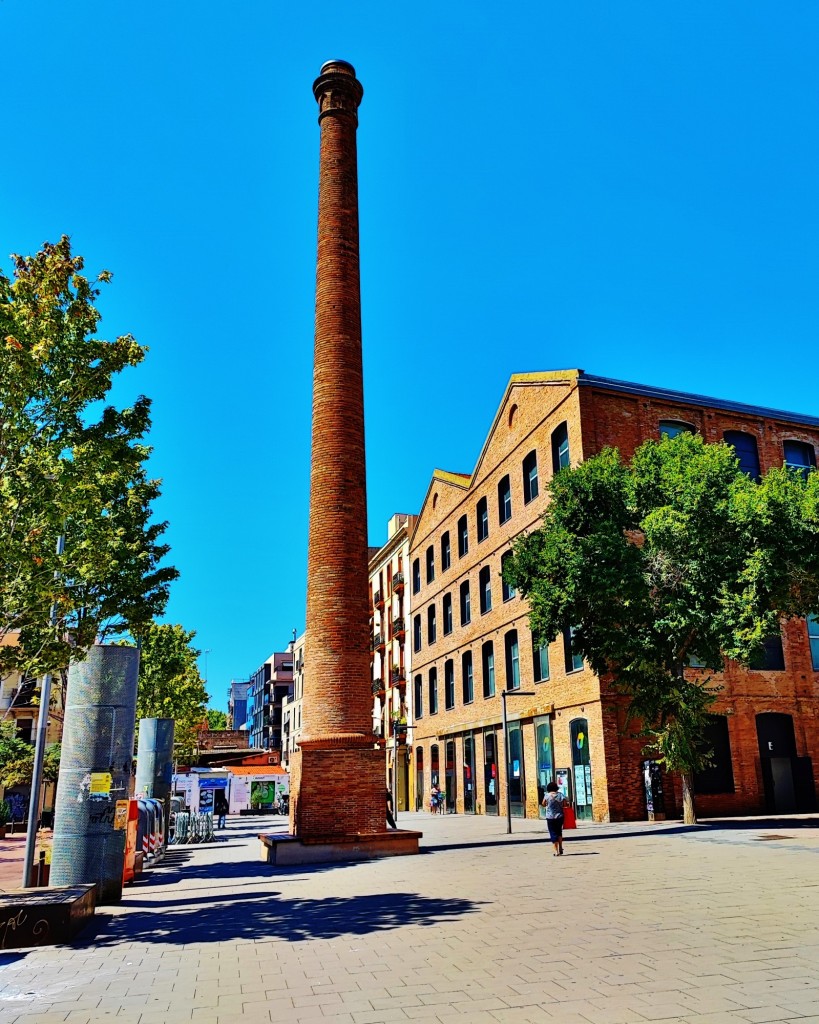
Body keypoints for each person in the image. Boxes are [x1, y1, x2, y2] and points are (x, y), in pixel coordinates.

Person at [542, 780, 567, 856]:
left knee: (553, 832)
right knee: (559, 832)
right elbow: (565, 804)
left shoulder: (547, 795)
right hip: (560, 816)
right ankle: (561, 847)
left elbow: (543, 804)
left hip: (550, 817)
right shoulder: (560, 795)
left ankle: (556, 851)